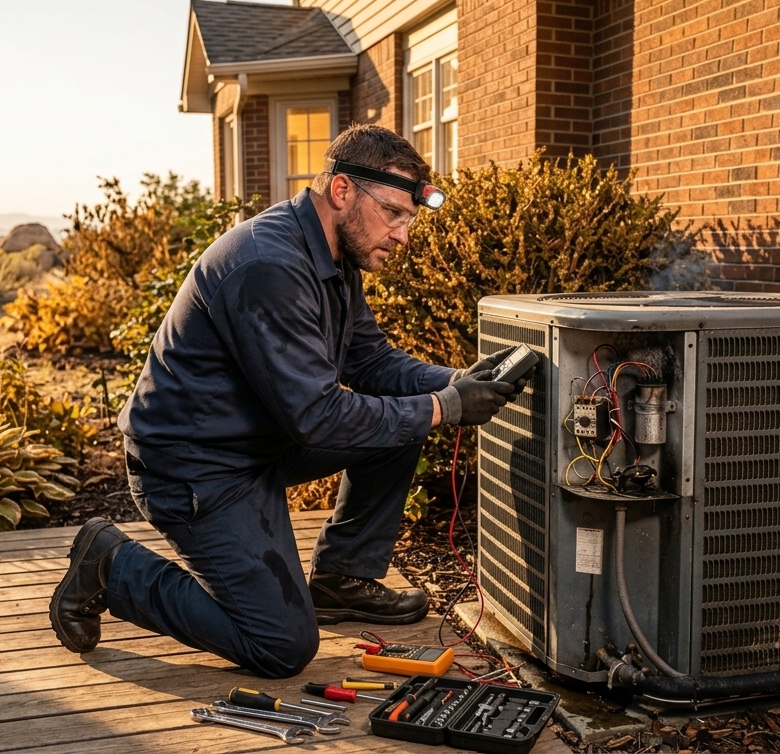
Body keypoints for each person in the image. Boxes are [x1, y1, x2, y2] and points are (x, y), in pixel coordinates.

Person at [48, 124, 533, 678]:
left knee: (404, 419)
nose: (403, 234)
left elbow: (372, 364)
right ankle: (112, 564)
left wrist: (459, 383)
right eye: (394, 213)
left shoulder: (331, 258)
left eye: (410, 218)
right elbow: (319, 416)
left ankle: (340, 579)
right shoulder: (267, 265)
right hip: (193, 468)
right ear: (344, 191)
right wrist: (446, 406)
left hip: (259, 444)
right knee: (280, 647)